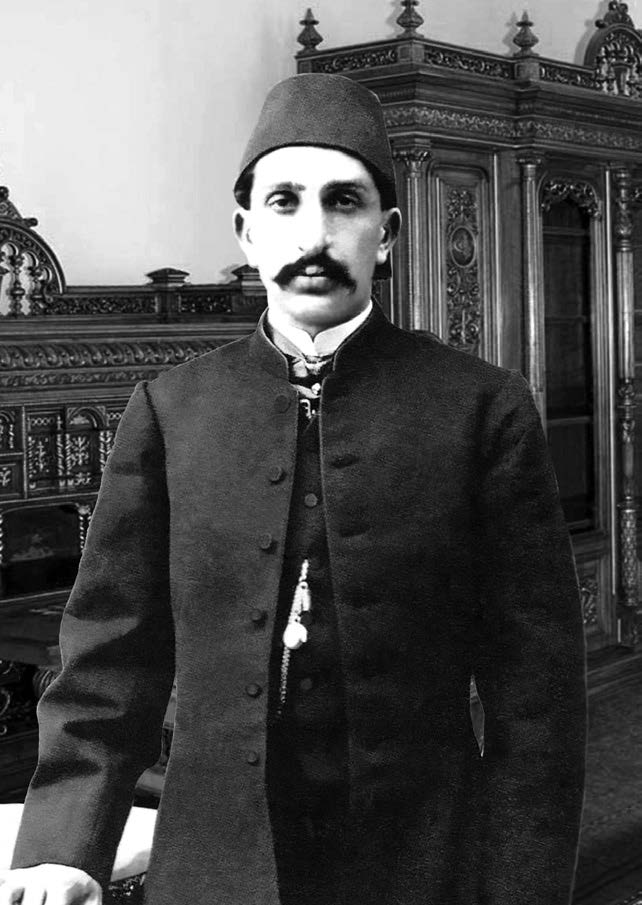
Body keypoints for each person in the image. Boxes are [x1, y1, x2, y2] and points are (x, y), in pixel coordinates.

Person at [2, 73, 586, 905]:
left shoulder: (482, 410)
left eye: (343, 202)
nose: (314, 233)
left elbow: (537, 695)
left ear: (385, 234)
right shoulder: (172, 410)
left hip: (423, 862)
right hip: (216, 865)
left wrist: (522, 888)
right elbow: (110, 656)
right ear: (247, 231)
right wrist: (64, 848)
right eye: (284, 202)